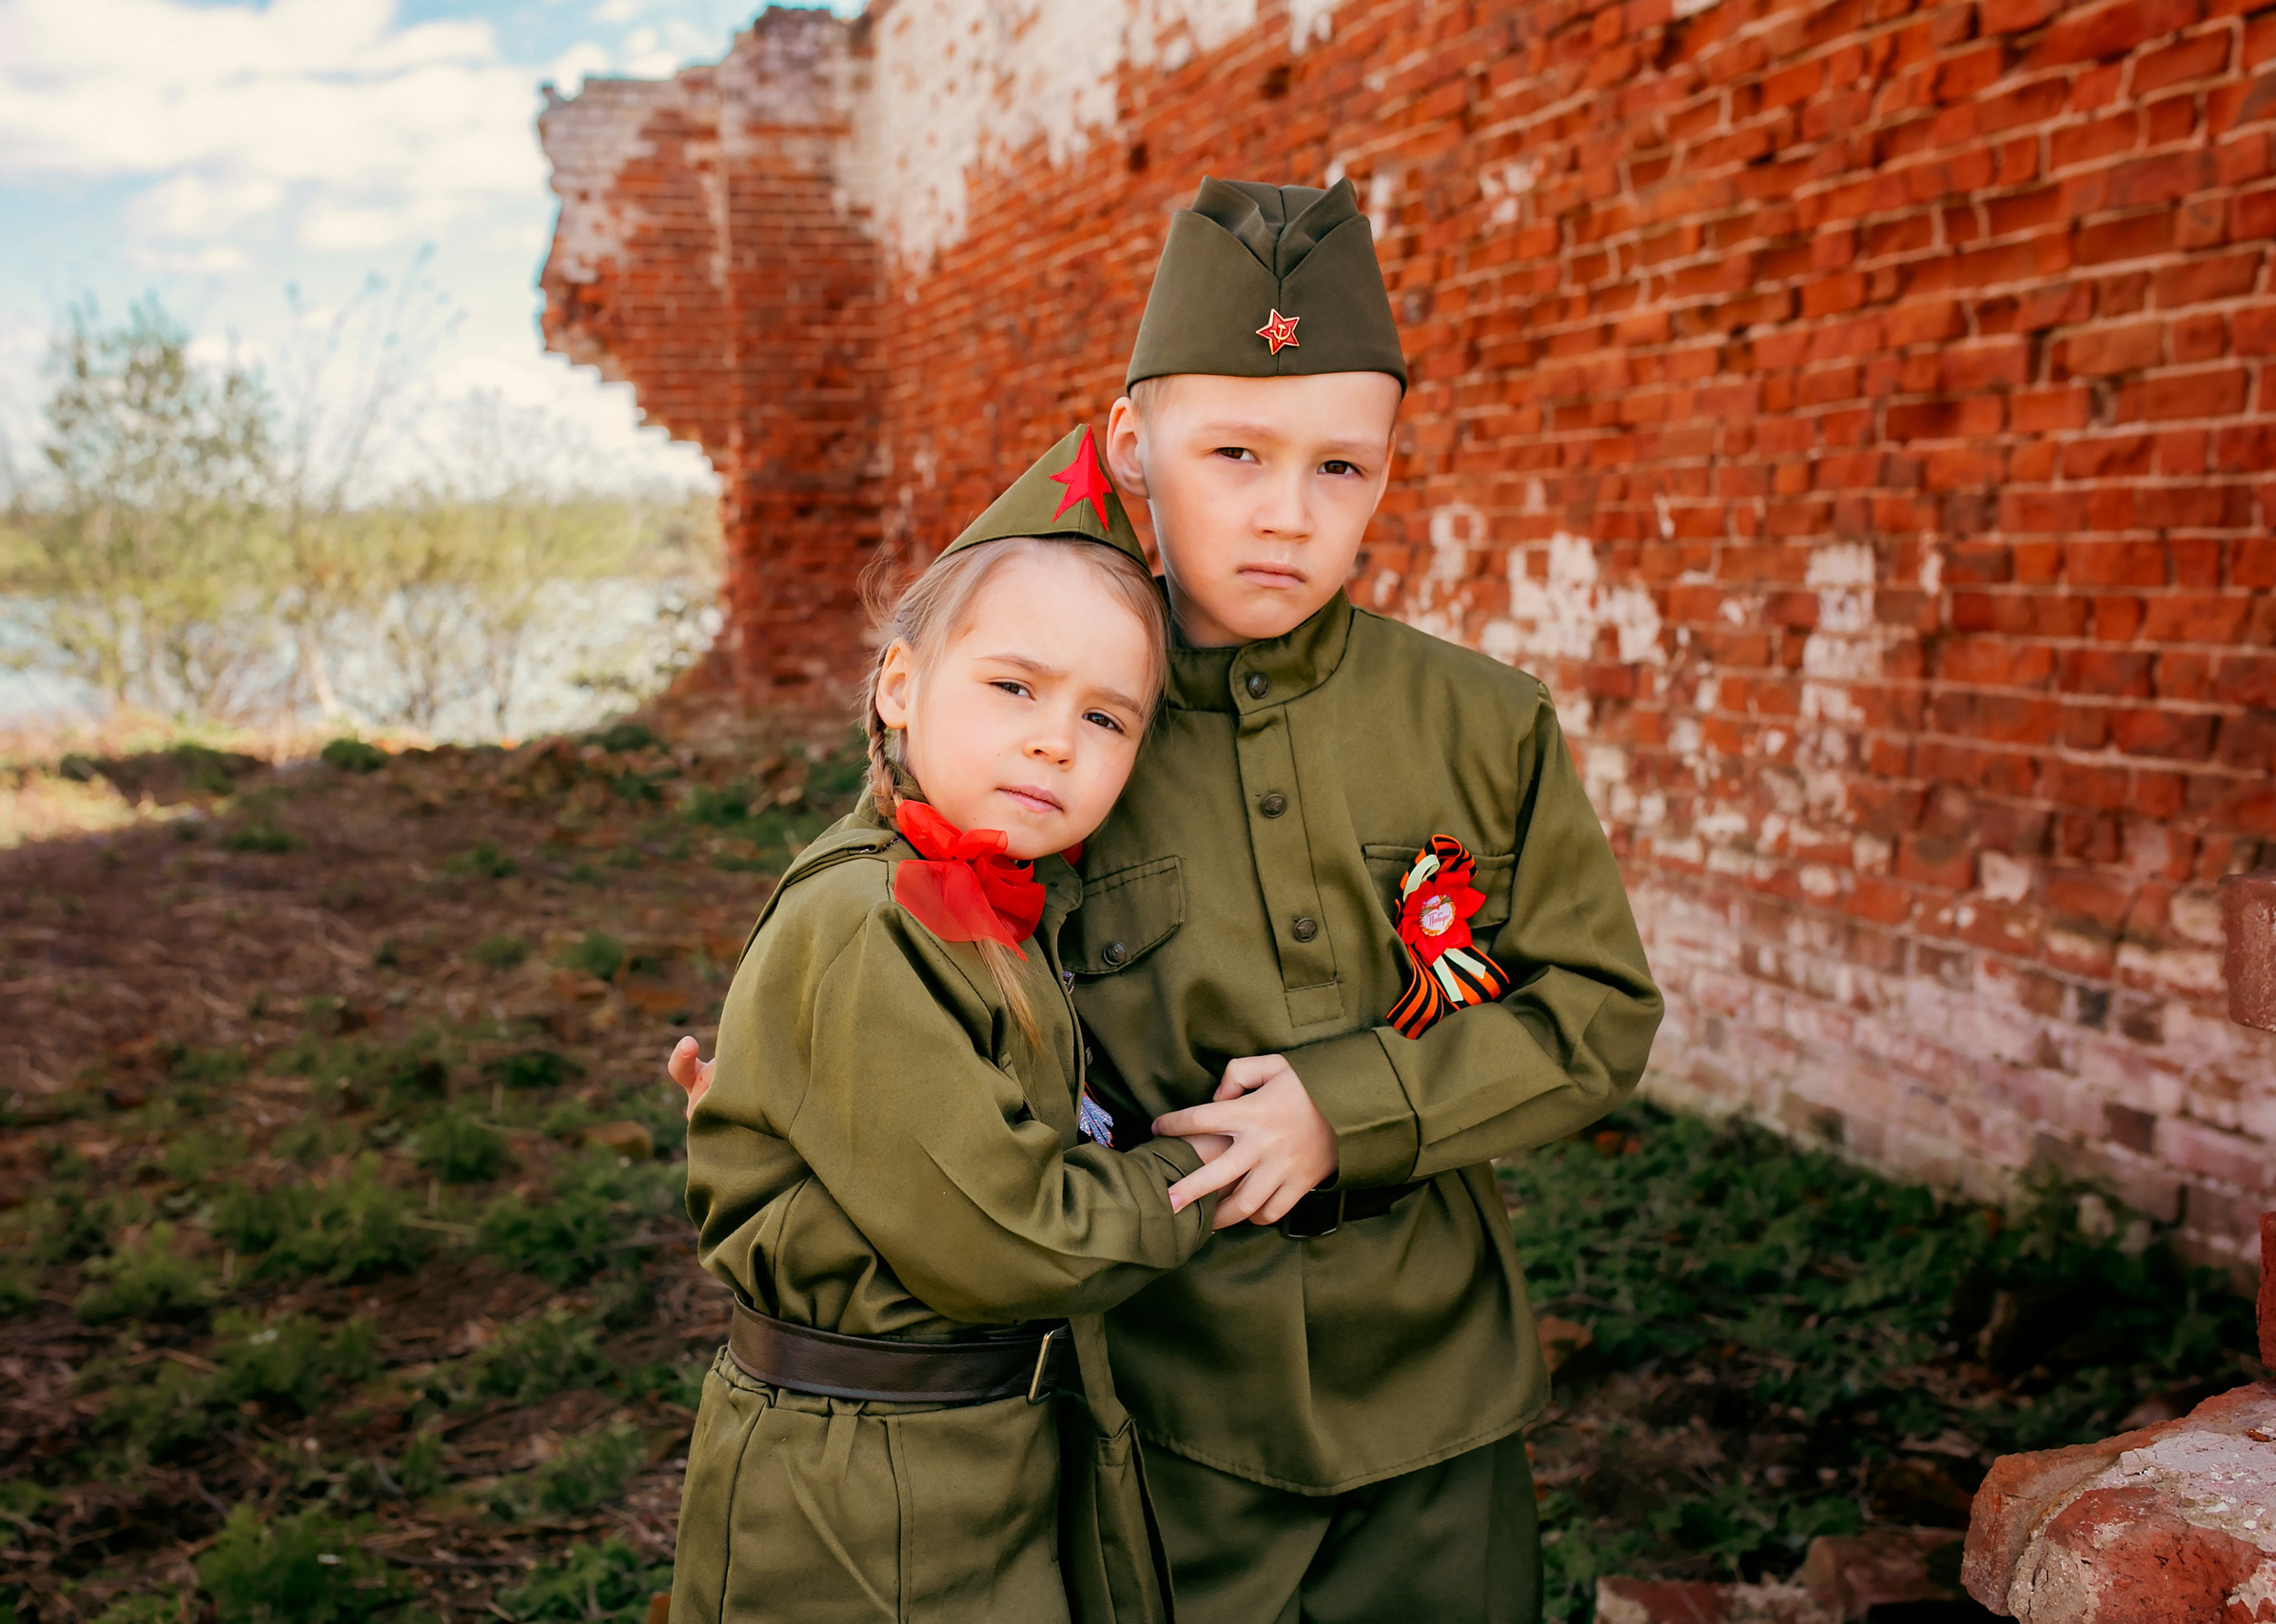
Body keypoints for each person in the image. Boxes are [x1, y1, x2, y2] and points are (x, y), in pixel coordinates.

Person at [1058, 176, 1666, 1623]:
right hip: (1162, 1393)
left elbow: (1596, 1013)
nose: (1287, 514)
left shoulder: (1482, 721)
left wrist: (1350, 1104)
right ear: (1135, 448)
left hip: (1440, 1394)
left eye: (1341, 467)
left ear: (1391, 466)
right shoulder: (1057, 725)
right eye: (1236, 454)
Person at [667, 426, 1225, 1624]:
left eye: (1107, 720)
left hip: (966, 1447)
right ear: (901, 683)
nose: (1052, 740)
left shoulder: (989, 903)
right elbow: (1012, 1239)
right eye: (1014, 687)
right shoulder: (875, 917)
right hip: (864, 1488)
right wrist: (1215, 1165)